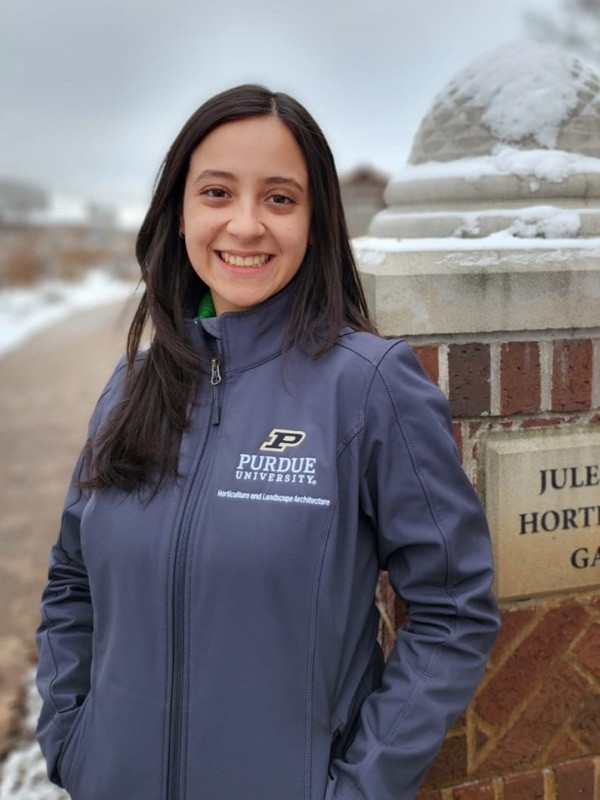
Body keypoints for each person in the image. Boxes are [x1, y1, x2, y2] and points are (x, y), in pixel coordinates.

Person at [35, 84, 499, 800]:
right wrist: (71, 738)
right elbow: (73, 582)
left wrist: (361, 787)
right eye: (217, 192)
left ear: (315, 222)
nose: (245, 225)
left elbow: (452, 607)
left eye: (279, 199)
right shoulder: (132, 388)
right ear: (179, 212)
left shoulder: (369, 386)